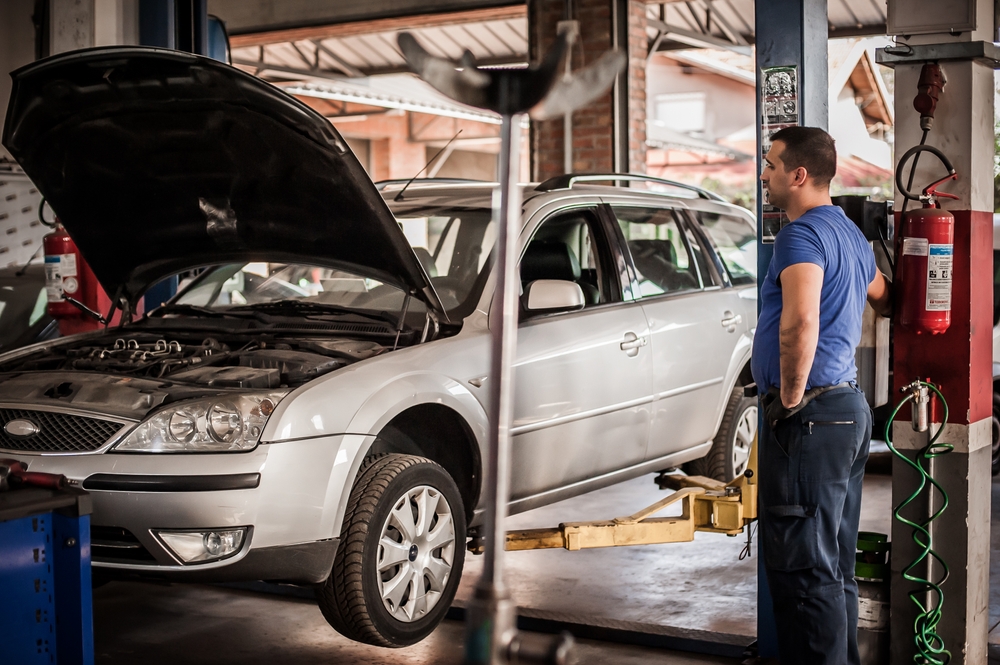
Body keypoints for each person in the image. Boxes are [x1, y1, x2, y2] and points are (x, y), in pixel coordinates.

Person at [752, 126, 892, 665]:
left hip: (810, 417)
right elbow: (887, 298)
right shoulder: (851, 237)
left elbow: (800, 320)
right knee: (832, 565)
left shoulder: (801, 234)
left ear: (798, 175)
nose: (764, 175)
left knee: (806, 574)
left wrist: (788, 397)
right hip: (844, 412)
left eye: (771, 164)